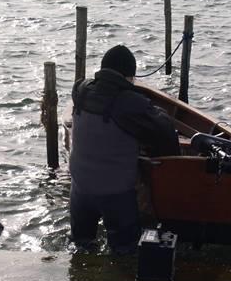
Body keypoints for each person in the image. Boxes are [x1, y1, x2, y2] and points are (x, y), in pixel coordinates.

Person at [69, 44, 179, 254]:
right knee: (124, 249)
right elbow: (165, 132)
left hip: (80, 189)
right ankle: (121, 280)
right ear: (129, 77)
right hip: (115, 194)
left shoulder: (80, 89)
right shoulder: (130, 103)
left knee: (81, 245)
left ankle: (80, 274)